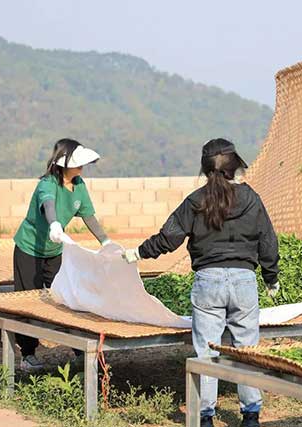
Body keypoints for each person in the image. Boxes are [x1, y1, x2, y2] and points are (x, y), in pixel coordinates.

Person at [123, 138, 279, 427]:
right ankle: (251, 416)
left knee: (206, 351)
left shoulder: (195, 201)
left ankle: (205, 417)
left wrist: (138, 253)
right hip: (244, 280)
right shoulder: (251, 198)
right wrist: (271, 278)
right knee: (247, 349)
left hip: (208, 282)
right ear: (235, 167)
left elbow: (169, 237)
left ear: (205, 170)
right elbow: (268, 240)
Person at [13, 138, 111, 370]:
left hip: (55, 251)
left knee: (68, 298)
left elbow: (88, 215)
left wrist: (106, 241)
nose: (81, 169)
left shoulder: (79, 185)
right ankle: (28, 353)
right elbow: (48, 204)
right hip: (29, 250)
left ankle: (81, 350)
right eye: (77, 164)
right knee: (27, 302)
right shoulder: (47, 184)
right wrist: (55, 224)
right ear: (63, 164)